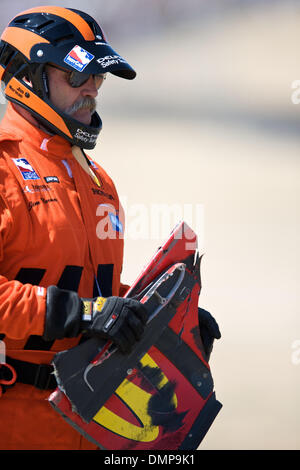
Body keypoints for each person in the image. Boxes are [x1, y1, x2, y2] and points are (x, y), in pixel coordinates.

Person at [0, 6, 220, 450]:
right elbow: (82, 306)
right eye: (77, 76)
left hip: (97, 422)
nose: (93, 90)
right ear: (29, 76)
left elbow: (96, 292)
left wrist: (165, 321)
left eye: (98, 78)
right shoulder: (3, 169)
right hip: (15, 419)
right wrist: (83, 313)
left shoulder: (98, 180)